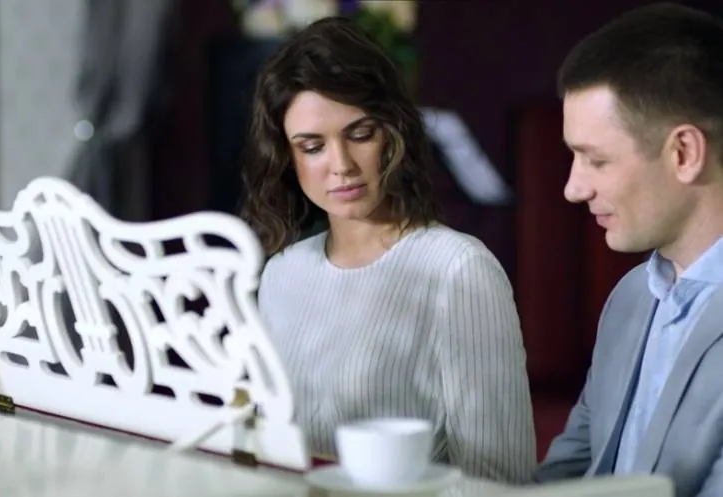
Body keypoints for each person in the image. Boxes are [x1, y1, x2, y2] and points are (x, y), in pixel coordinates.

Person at [240, 16, 536, 482]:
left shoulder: (458, 270)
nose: (341, 165)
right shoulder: (282, 271)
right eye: (312, 146)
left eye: (360, 134)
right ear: (287, 157)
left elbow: (497, 480)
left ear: (393, 133)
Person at [534, 3, 723, 496]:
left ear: (684, 153)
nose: (573, 188)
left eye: (596, 160)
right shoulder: (631, 296)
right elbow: (566, 471)